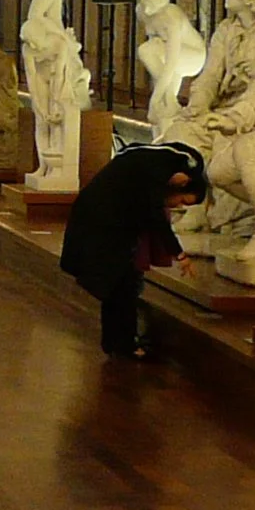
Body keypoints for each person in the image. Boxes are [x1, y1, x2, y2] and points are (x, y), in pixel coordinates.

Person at [62, 144, 208, 358]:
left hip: (100, 222)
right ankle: (125, 344)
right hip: (104, 227)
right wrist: (179, 254)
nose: (177, 205)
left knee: (118, 285)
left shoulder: (146, 160)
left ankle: (116, 343)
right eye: (182, 200)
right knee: (123, 285)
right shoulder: (156, 172)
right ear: (183, 181)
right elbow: (155, 217)